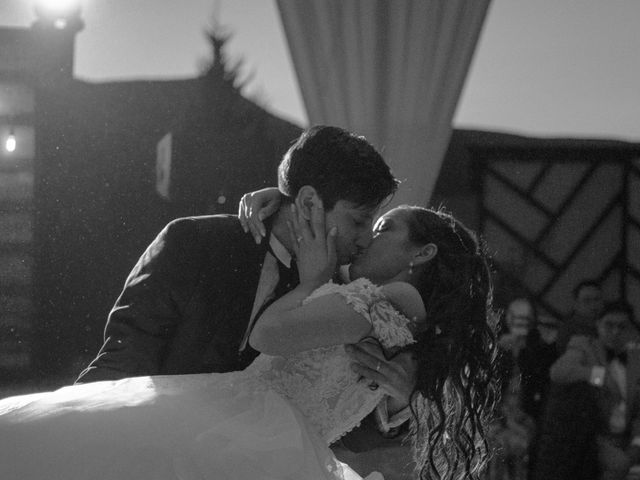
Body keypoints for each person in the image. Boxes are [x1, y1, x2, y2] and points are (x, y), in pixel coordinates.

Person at [0, 202, 499, 480]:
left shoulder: (387, 297)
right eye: (364, 224)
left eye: (384, 228)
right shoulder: (394, 310)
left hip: (253, 431)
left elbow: (269, 334)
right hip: (264, 441)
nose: (367, 237)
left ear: (423, 252)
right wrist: (279, 199)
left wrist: (308, 282)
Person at [76, 125, 416, 456]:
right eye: (359, 221)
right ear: (310, 203)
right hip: (155, 454)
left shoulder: (343, 300)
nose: (366, 238)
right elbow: (125, 357)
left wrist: (398, 404)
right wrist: (71, 435)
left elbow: (340, 425)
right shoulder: (195, 244)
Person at [547, 301, 640, 480]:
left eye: (622, 327)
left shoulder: (635, 358)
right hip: (594, 437)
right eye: (609, 325)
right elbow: (558, 372)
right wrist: (600, 376)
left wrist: (636, 444)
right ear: (598, 324)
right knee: (619, 465)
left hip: (628, 438)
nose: (615, 332)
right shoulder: (584, 345)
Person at [556, 279, 605, 353]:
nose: (593, 306)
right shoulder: (568, 330)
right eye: (587, 301)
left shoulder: (610, 323)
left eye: (597, 299)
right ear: (576, 304)